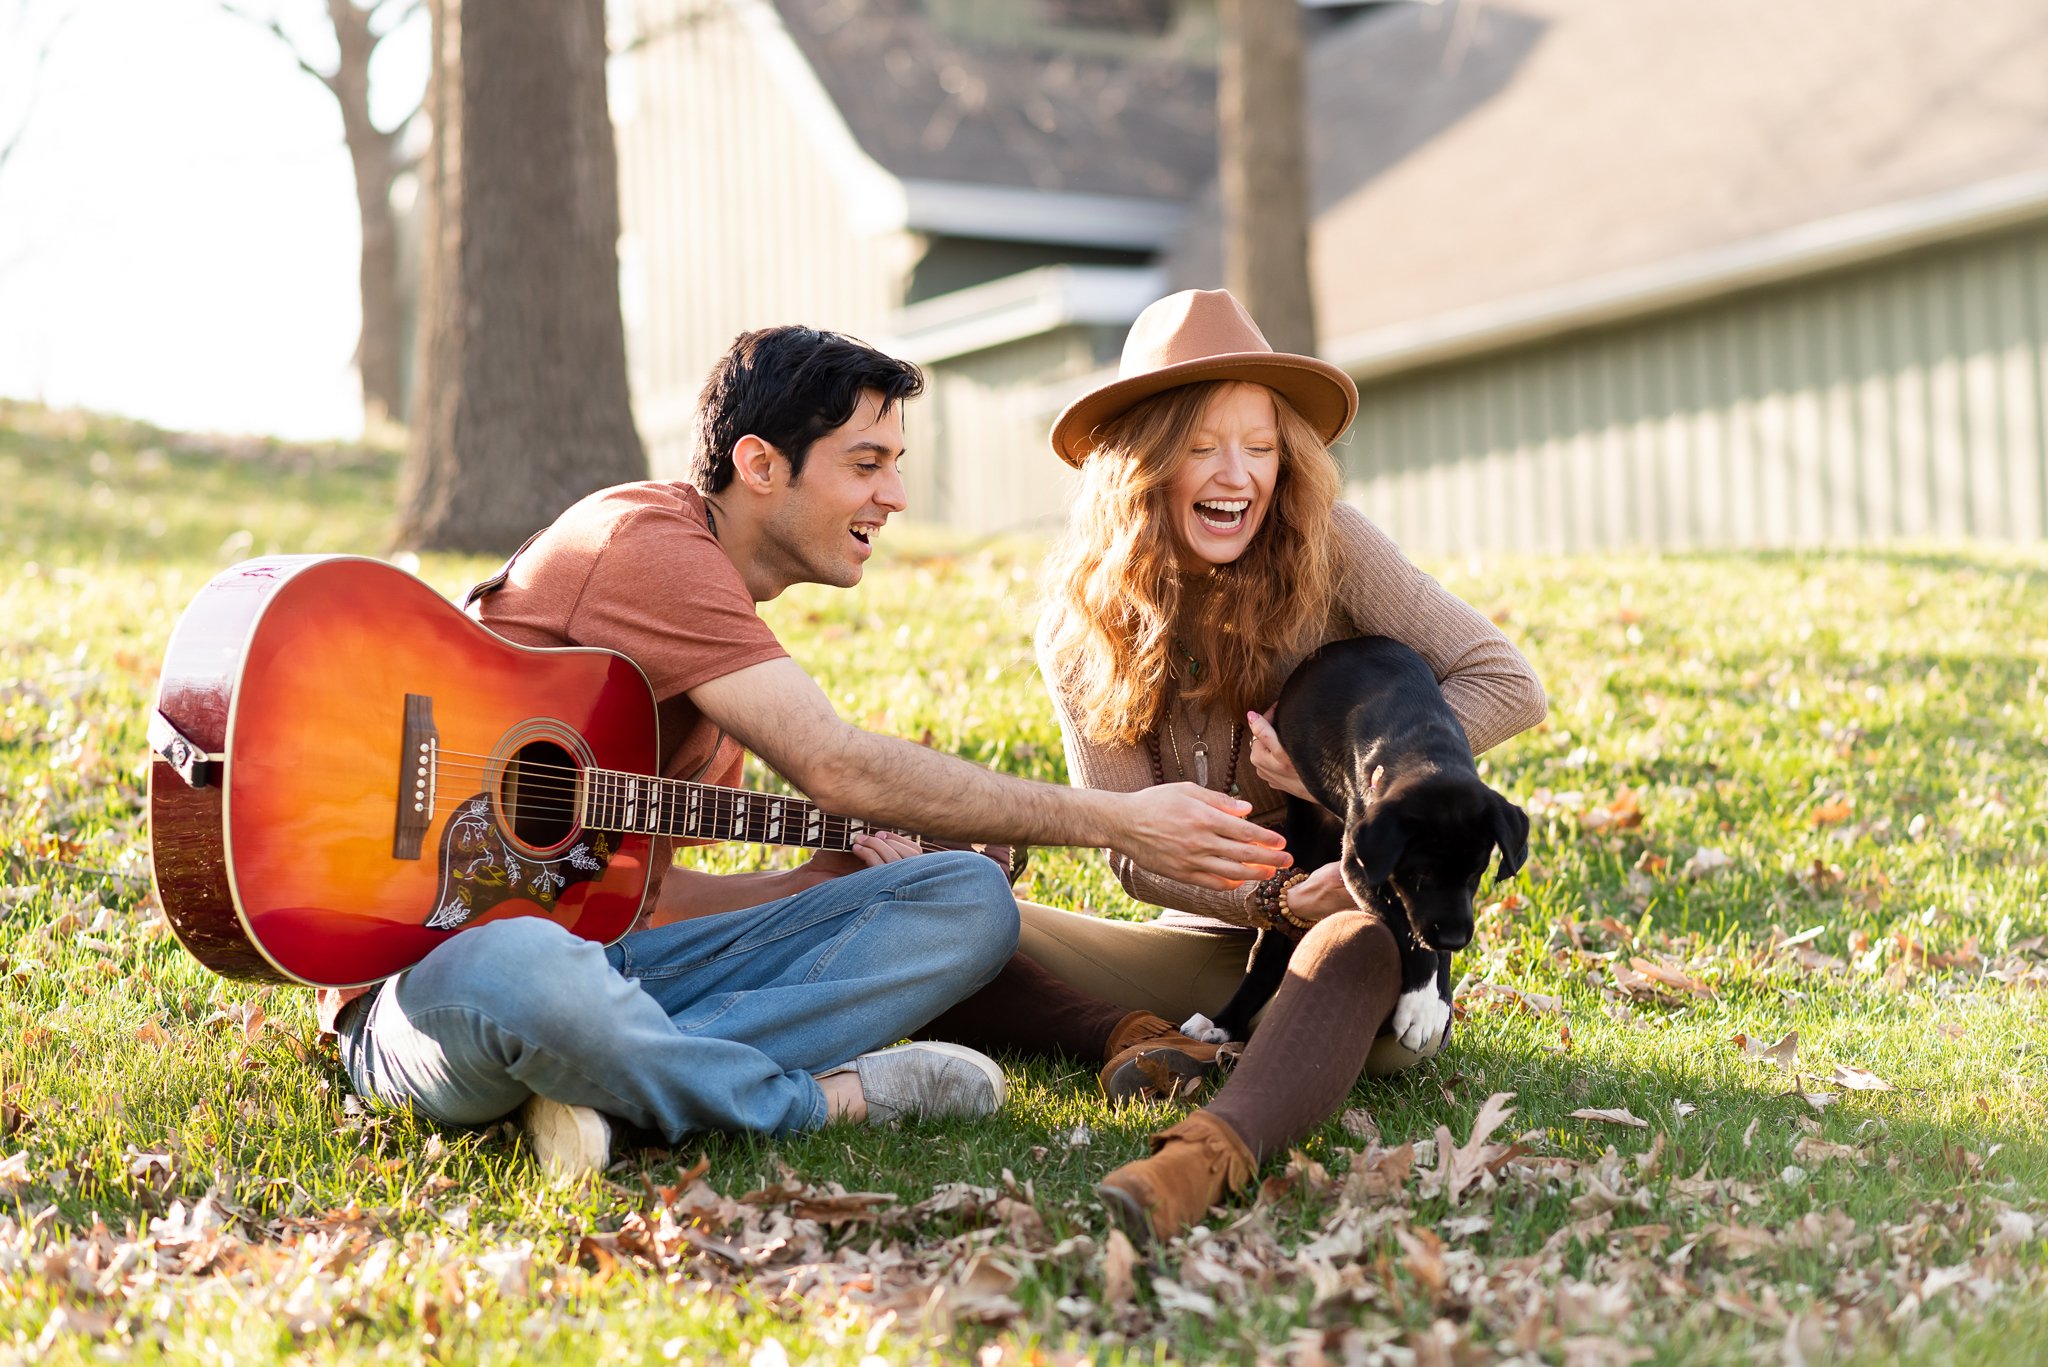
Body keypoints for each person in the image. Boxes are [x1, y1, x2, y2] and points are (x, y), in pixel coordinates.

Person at [322, 325, 1290, 1177]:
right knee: (530, 970)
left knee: (964, 897)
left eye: (897, 464)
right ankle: (811, 1097)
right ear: (758, 463)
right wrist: (1112, 819)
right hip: (427, 984)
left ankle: (612, 1085)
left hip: (609, 968)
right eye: (866, 462)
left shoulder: (704, 668)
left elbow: (639, 903)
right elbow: (836, 763)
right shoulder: (647, 544)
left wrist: (812, 881)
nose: (896, 494)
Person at [926, 289, 1546, 1242]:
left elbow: (1505, 681)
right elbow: (1131, 851)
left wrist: (1345, 786)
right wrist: (1266, 903)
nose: (1238, 474)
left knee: (1363, 936)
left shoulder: (1331, 548)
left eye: (1260, 447)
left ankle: (1198, 1158)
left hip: (1353, 931)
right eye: (1205, 444)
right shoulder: (1081, 624)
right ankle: (1148, 1040)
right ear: (1144, 459)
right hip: (1198, 948)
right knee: (931, 908)